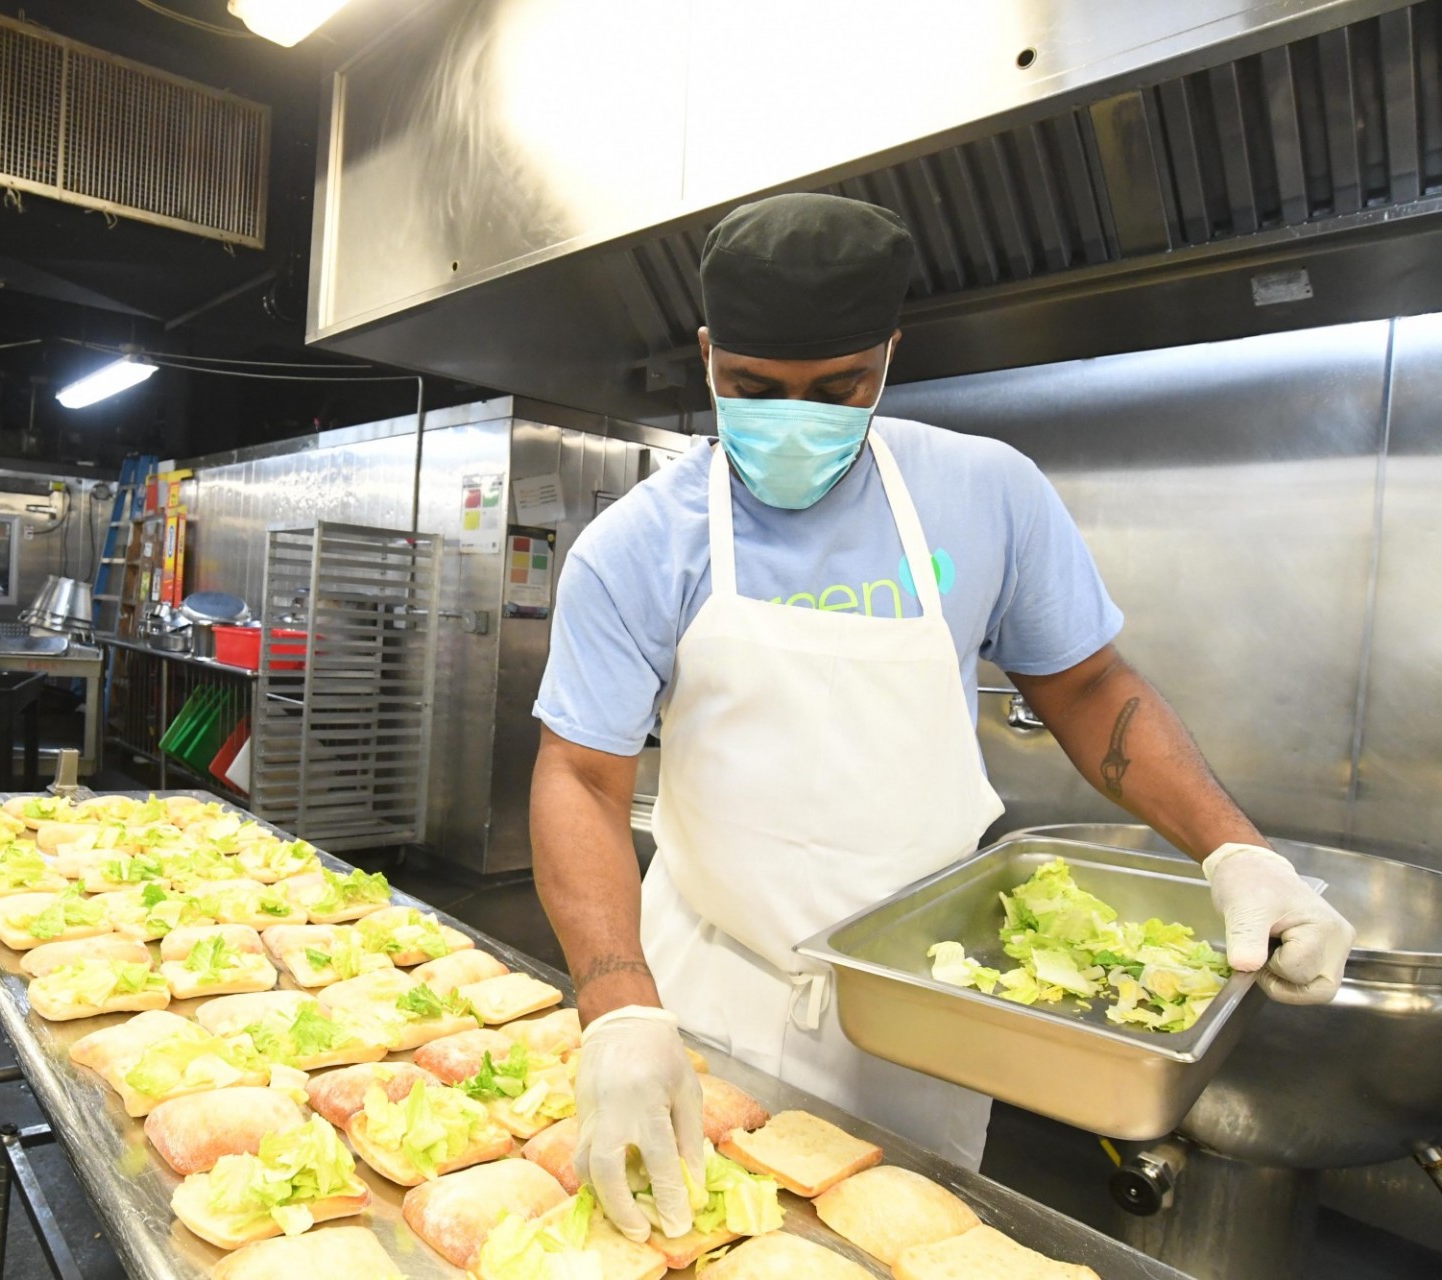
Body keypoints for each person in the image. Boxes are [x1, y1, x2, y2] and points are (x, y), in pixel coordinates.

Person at [528, 193, 1355, 1243]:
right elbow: (581, 775)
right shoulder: (638, 542)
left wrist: (1237, 850)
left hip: (918, 1016)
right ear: (705, 355)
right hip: (702, 994)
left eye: (839, 388)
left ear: (888, 353)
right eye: (752, 388)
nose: (796, 418)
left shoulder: (985, 493)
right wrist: (619, 1004)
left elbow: (1088, 687)